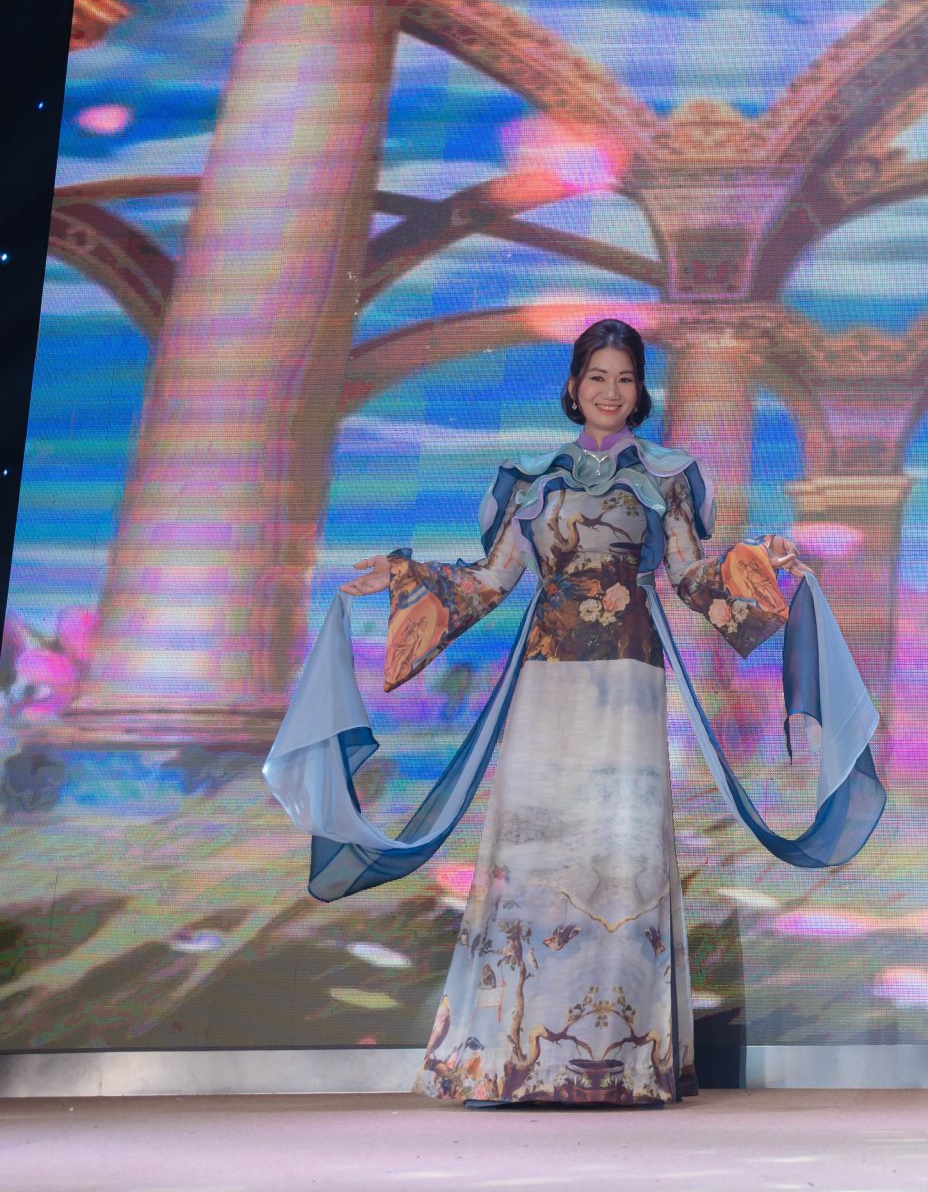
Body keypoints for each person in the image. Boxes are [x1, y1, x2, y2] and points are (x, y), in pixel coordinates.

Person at [264, 318, 887, 1106]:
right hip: (547, 684)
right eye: (597, 376)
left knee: (622, 852)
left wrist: (762, 564)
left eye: (625, 378)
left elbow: (691, 575)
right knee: (536, 850)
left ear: (640, 391)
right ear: (572, 386)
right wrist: (400, 576)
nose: (610, 391)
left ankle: (625, 1057)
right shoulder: (534, 481)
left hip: (627, 686)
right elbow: (489, 581)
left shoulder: (663, 477)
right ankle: (509, 1055)